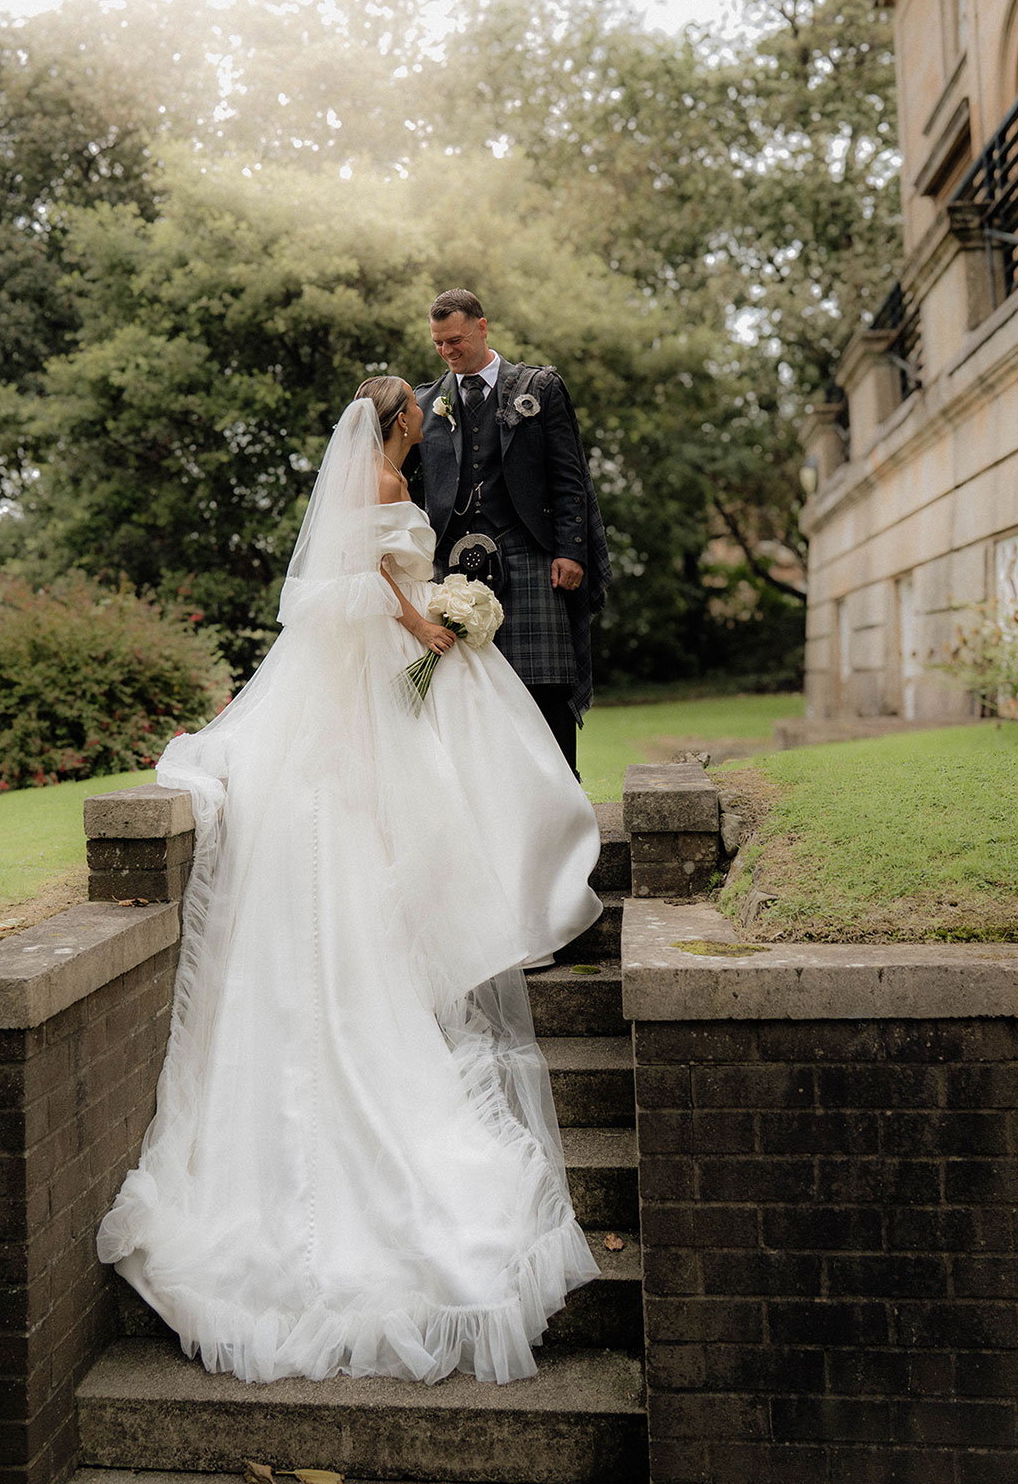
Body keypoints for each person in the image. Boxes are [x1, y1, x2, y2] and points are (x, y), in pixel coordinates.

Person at [97, 377, 604, 1388]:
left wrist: (426, 613)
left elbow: (357, 576)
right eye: (416, 410)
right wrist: (422, 621)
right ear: (400, 423)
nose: (422, 422)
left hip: (376, 673)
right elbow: (354, 581)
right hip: (380, 665)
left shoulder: (376, 474)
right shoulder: (379, 475)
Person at [413, 289, 610, 776]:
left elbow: (569, 478)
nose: (448, 351)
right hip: (454, 566)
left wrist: (572, 551)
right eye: (439, 343)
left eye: (455, 340)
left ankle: (564, 795)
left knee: (545, 683)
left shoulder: (539, 389)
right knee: (469, 690)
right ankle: (494, 802)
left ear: (482, 327)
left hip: (531, 551)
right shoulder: (425, 402)